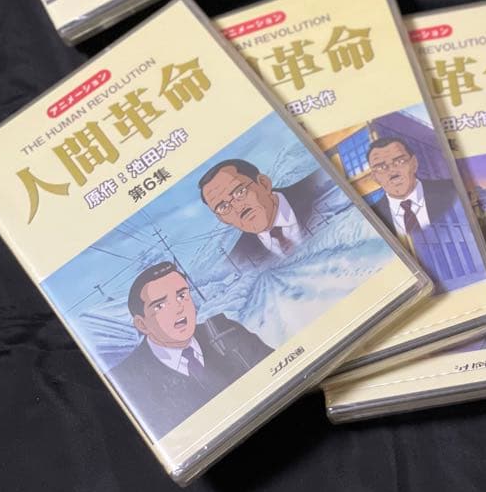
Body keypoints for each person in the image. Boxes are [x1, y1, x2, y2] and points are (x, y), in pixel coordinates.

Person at [109, 261, 272, 439]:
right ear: (142, 324)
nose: (179, 308)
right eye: (160, 305)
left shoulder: (225, 330)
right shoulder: (126, 382)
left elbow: (275, 373)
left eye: (181, 296)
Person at [199, 158, 327, 268]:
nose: (237, 207)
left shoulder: (319, 185)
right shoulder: (241, 256)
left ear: (264, 184)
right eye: (223, 207)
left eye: (239, 192)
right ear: (222, 219)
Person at [366, 135, 461, 240]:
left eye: (400, 161)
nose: (392, 171)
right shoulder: (371, 217)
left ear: (414, 163)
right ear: (374, 177)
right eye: (381, 167)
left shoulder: (453, 189)